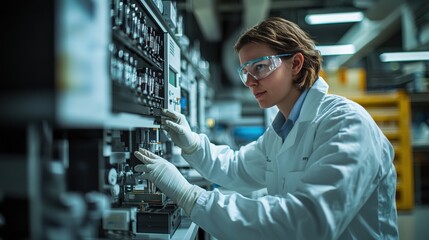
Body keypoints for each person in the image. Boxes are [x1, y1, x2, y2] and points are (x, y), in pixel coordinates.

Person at [134, 17, 398, 239]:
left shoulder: (346, 124)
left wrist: (191, 196)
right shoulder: (282, 131)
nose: (250, 82)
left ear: (295, 64)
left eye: (260, 67)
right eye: (244, 71)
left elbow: (308, 221)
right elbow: (237, 168)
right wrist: (192, 144)